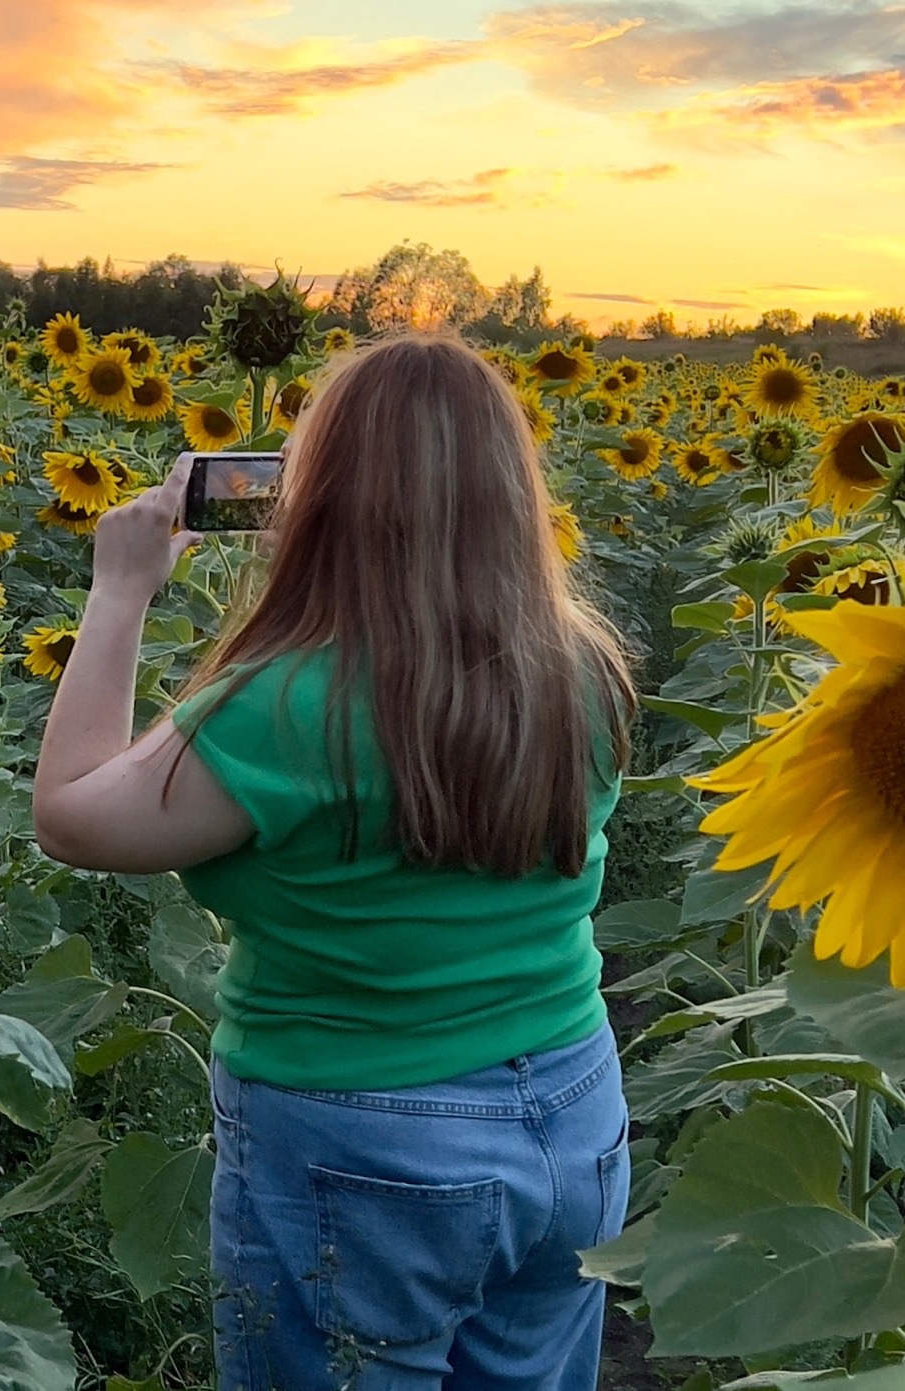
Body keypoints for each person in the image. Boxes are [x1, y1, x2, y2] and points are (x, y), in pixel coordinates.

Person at [32, 333, 635, 1391]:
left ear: (317, 499)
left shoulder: (286, 702)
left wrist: (120, 590)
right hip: (574, 1111)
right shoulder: (578, 663)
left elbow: (74, 817)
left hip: (365, 1141)